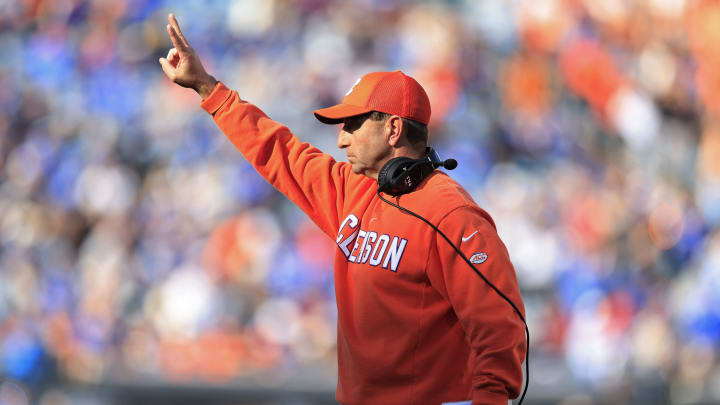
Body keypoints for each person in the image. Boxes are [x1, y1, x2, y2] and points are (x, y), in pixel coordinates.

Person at [159, 13, 526, 405]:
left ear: (393, 129)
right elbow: (278, 151)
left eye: (352, 124)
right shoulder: (352, 191)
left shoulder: (450, 215)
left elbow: (499, 330)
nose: (341, 139)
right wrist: (207, 88)